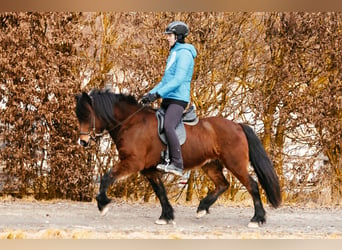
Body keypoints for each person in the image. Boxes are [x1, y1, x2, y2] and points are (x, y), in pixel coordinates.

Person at [141, 21, 197, 176]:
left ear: (178, 37)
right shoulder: (174, 53)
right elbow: (165, 81)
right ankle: (163, 158)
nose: (167, 38)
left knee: (168, 125)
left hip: (178, 99)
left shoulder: (184, 54)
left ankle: (177, 164)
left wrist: (158, 94)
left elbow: (178, 80)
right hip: (168, 97)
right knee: (155, 125)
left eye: (170, 35)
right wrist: (149, 94)